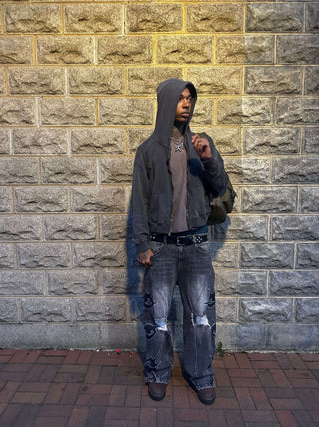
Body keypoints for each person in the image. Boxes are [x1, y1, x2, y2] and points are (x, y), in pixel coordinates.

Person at [131, 78, 228, 405]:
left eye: (190, 99)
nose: (186, 104)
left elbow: (221, 188)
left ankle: (201, 374)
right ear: (166, 102)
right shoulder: (146, 151)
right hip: (161, 247)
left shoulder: (202, 143)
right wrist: (142, 243)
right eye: (180, 98)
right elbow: (139, 201)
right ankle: (157, 372)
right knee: (157, 317)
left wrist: (209, 158)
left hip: (197, 245)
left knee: (200, 316)